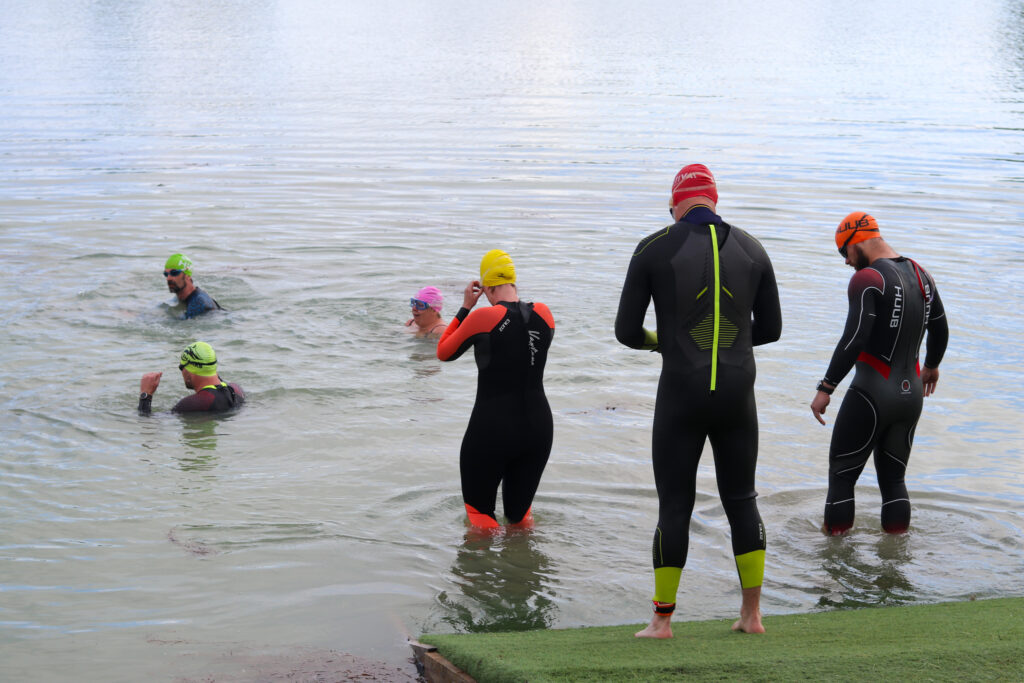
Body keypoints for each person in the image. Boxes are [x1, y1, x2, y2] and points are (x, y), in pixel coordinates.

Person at [615, 164, 782, 638]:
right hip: (736, 392)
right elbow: (770, 330)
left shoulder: (653, 247)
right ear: (714, 199)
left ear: (675, 203)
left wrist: (664, 341)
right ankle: (752, 616)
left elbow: (626, 332)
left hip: (681, 393)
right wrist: (729, 344)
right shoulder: (753, 248)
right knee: (742, 499)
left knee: (675, 503)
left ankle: (661, 621)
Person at [810, 212, 948, 536]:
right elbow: (940, 329)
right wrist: (931, 366)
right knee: (894, 480)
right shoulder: (922, 275)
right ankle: (896, 557)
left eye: (844, 252)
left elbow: (855, 337)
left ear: (856, 241)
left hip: (871, 392)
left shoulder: (867, 279)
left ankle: (833, 562)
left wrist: (826, 387)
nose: (845, 261)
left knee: (842, 475)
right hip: (911, 395)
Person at [436, 250, 555, 531]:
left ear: (486, 287)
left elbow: (443, 352)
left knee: (481, 519)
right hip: (538, 428)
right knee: (520, 517)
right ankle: (523, 569)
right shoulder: (545, 314)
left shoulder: (484, 317)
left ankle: (481, 573)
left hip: (492, 428)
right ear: (513, 282)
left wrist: (466, 307)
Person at [138, 341, 245, 414]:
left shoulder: (192, 404)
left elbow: (147, 423)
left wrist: (146, 395)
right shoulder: (236, 389)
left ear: (189, 371)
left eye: (181, 367)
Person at [163, 253, 222, 319]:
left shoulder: (199, 303)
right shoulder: (182, 296)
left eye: (174, 273)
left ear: (187, 275)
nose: (168, 278)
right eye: (166, 274)